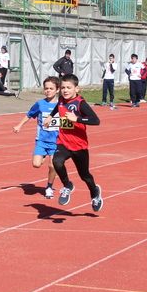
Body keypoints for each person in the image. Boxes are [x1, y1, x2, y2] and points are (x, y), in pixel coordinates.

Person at [45, 74, 102, 212]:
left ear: (76, 88)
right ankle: (67, 185)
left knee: (85, 176)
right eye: (63, 87)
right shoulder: (60, 100)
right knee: (56, 162)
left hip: (79, 146)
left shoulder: (80, 103)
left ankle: (95, 193)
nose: (65, 90)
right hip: (63, 142)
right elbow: (57, 107)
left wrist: (77, 119)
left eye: (69, 88)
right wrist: (50, 117)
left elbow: (96, 120)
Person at [13, 76, 60, 198]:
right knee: (36, 164)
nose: (48, 91)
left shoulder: (62, 105)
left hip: (56, 142)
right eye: (46, 88)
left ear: (57, 90)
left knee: (52, 165)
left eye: (51, 88)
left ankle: (49, 187)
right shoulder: (40, 104)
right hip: (42, 141)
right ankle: (43, 156)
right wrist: (19, 126)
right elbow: (29, 115)